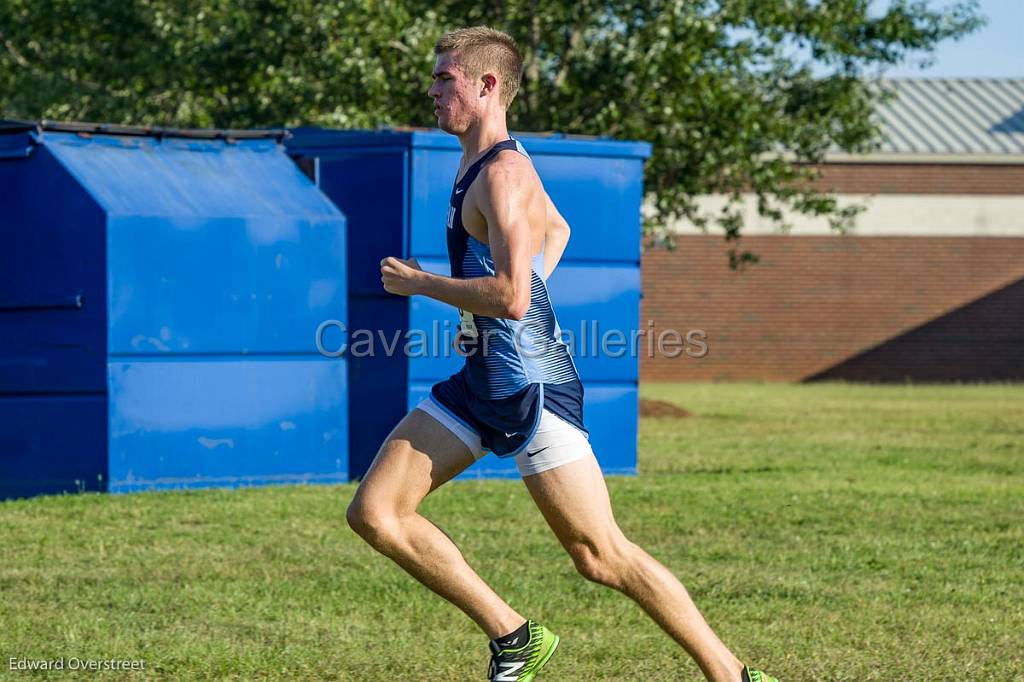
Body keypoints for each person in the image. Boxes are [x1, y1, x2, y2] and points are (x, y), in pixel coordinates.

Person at [346, 25, 780, 682]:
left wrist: (421, 284)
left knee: (601, 555)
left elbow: (514, 297)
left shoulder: (505, 174)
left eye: (445, 79)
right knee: (377, 512)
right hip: (484, 379)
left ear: (487, 86)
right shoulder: (481, 163)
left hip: (532, 389)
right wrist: (485, 320)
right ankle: (512, 635)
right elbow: (559, 230)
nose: (432, 91)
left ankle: (732, 675)